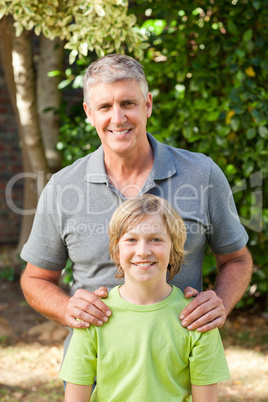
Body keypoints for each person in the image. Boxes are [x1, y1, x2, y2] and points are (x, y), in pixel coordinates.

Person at [20, 54, 252, 355]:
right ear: (89, 113)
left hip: (181, 367)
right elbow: (36, 278)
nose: (118, 118)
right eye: (105, 107)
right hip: (94, 371)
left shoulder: (201, 174)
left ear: (148, 105)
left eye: (128, 103)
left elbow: (237, 259)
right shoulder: (63, 187)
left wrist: (219, 302)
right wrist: (67, 308)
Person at [60, 194, 231, 402]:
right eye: (131, 240)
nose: (143, 251)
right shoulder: (93, 316)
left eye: (156, 239)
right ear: (116, 249)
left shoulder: (197, 318)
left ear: (173, 247)